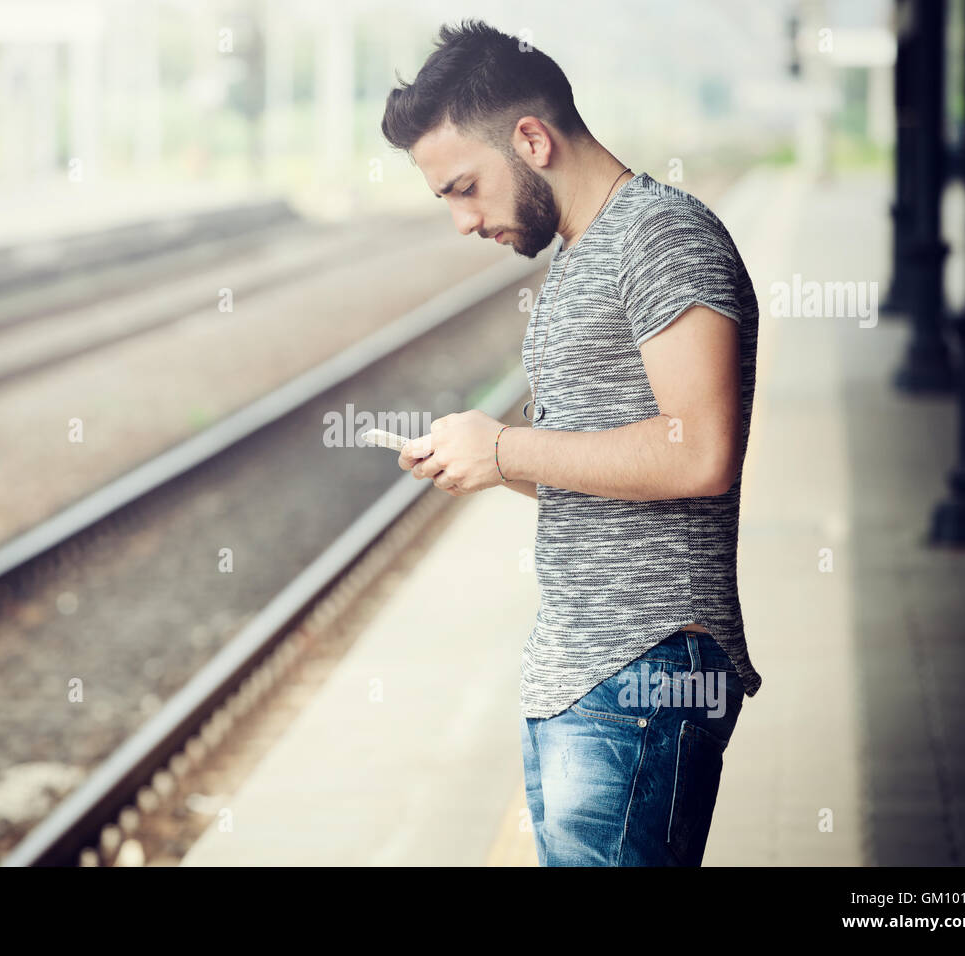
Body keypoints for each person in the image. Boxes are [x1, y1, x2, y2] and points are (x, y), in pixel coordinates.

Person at [379, 19, 763, 866]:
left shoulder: (662, 237)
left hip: (651, 665)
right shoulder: (582, 254)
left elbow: (699, 454)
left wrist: (510, 448)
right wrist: (483, 461)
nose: (461, 219)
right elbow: (614, 467)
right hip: (581, 673)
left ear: (531, 138)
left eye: (465, 186)